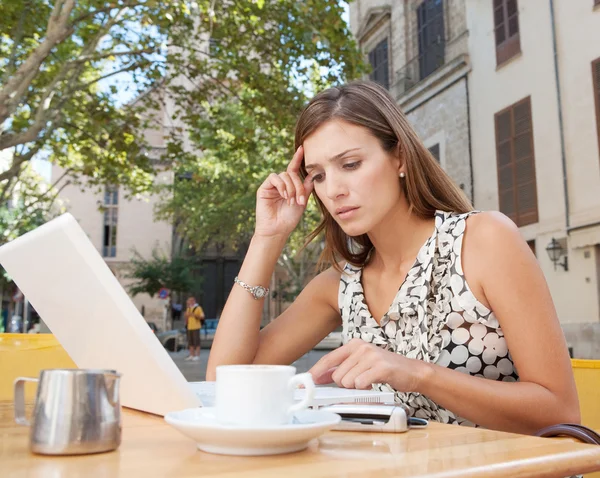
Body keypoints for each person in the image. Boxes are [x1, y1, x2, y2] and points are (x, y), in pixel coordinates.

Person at [207, 81, 580, 434]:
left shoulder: (483, 241)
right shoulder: (341, 286)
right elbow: (223, 384)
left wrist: (417, 374)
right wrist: (267, 238)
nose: (334, 190)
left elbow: (560, 413)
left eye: (350, 164)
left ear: (399, 157)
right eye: (317, 176)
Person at [184, 296, 204, 361]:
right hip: (189, 327)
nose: (188, 302)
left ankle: (197, 355)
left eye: (189, 301)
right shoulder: (188, 308)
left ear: (193, 301)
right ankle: (192, 355)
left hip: (196, 327)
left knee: (196, 342)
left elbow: (202, 317)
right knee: (190, 342)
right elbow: (187, 318)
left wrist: (194, 315)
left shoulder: (198, 308)